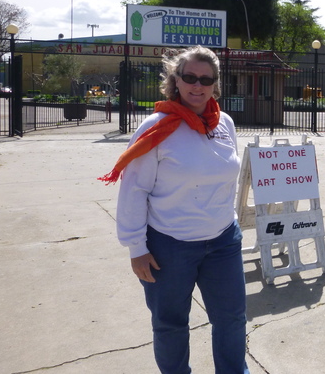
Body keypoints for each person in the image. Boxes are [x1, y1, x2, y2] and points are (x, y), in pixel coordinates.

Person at [100, 46, 249, 374]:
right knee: (170, 325)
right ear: (176, 81)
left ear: (216, 84)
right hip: (169, 247)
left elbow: (227, 177)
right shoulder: (156, 127)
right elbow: (134, 189)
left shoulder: (224, 123)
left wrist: (230, 220)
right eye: (190, 77)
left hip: (223, 242)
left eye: (206, 79)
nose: (198, 85)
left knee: (232, 320)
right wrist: (136, 248)